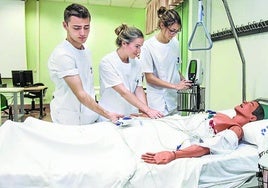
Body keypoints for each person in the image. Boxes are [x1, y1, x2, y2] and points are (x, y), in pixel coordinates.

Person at [48, 3, 122, 125]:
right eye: (77, 28)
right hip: (69, 118)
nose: (83, 33)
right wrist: (108, 114)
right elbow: (81, 94)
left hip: (89, 115)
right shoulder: (63, 54)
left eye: (86, 27)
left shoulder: (86, 51)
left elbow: (88, 86)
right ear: (65, 25)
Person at [141, 100, 265, 164]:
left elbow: (209, 146)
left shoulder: (236, 129)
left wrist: (173, 155)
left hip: (173, 135)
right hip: (168, 125)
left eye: (250, 104)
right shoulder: (224, 115)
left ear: (252, 118)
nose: (244, 102)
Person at [98, 24, 164, 119]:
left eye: (140, 47)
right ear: (124, 43)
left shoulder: (136, 63)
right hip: (110, 114)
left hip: (130, 114)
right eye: (137, 46)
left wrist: (145, 111)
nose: (139, 51)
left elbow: (139, 89)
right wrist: (147, 110)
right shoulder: (107, 62)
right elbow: (123, 92)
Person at [139, 6, 192, 116]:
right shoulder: (148, 46)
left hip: (174, 98)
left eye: (177, 31)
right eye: (172, 30)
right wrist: (176, 86)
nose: (174, 34)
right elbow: (149, 78)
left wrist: (185, 81)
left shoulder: (175, 43)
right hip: (158, 101)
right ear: (162, 25)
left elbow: (174, 69)